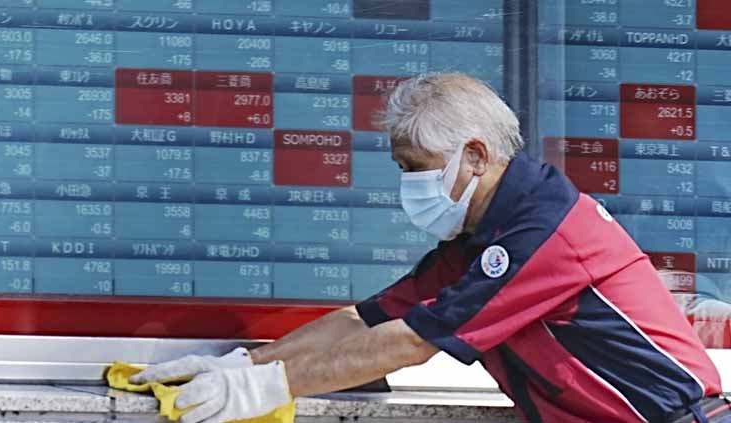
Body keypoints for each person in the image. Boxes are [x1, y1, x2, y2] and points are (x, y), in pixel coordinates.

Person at [131, 73, 730, 423]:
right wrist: (240, 365)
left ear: (474, 155)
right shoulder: (481, 232)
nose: (407, 185)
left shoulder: (543, 232)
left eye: (414, 167)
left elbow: (410, 342)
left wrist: (261, 392)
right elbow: (364, 319)